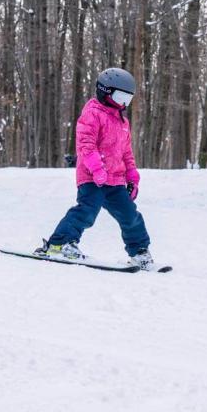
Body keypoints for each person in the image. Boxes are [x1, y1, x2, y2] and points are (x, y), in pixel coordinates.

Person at [34, 67, 154, 269]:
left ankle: (140, 252)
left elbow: (127, 152)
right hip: (92, 177)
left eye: (128, 99)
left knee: (130, 215)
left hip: (115, 180)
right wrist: (97, 169)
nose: (124, 103)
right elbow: (85, 145)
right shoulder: (92, 114)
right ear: (105, 91)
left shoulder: (123, 121)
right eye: (120, 97)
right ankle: (59, 244)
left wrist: (132, 177)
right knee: (86, 211)